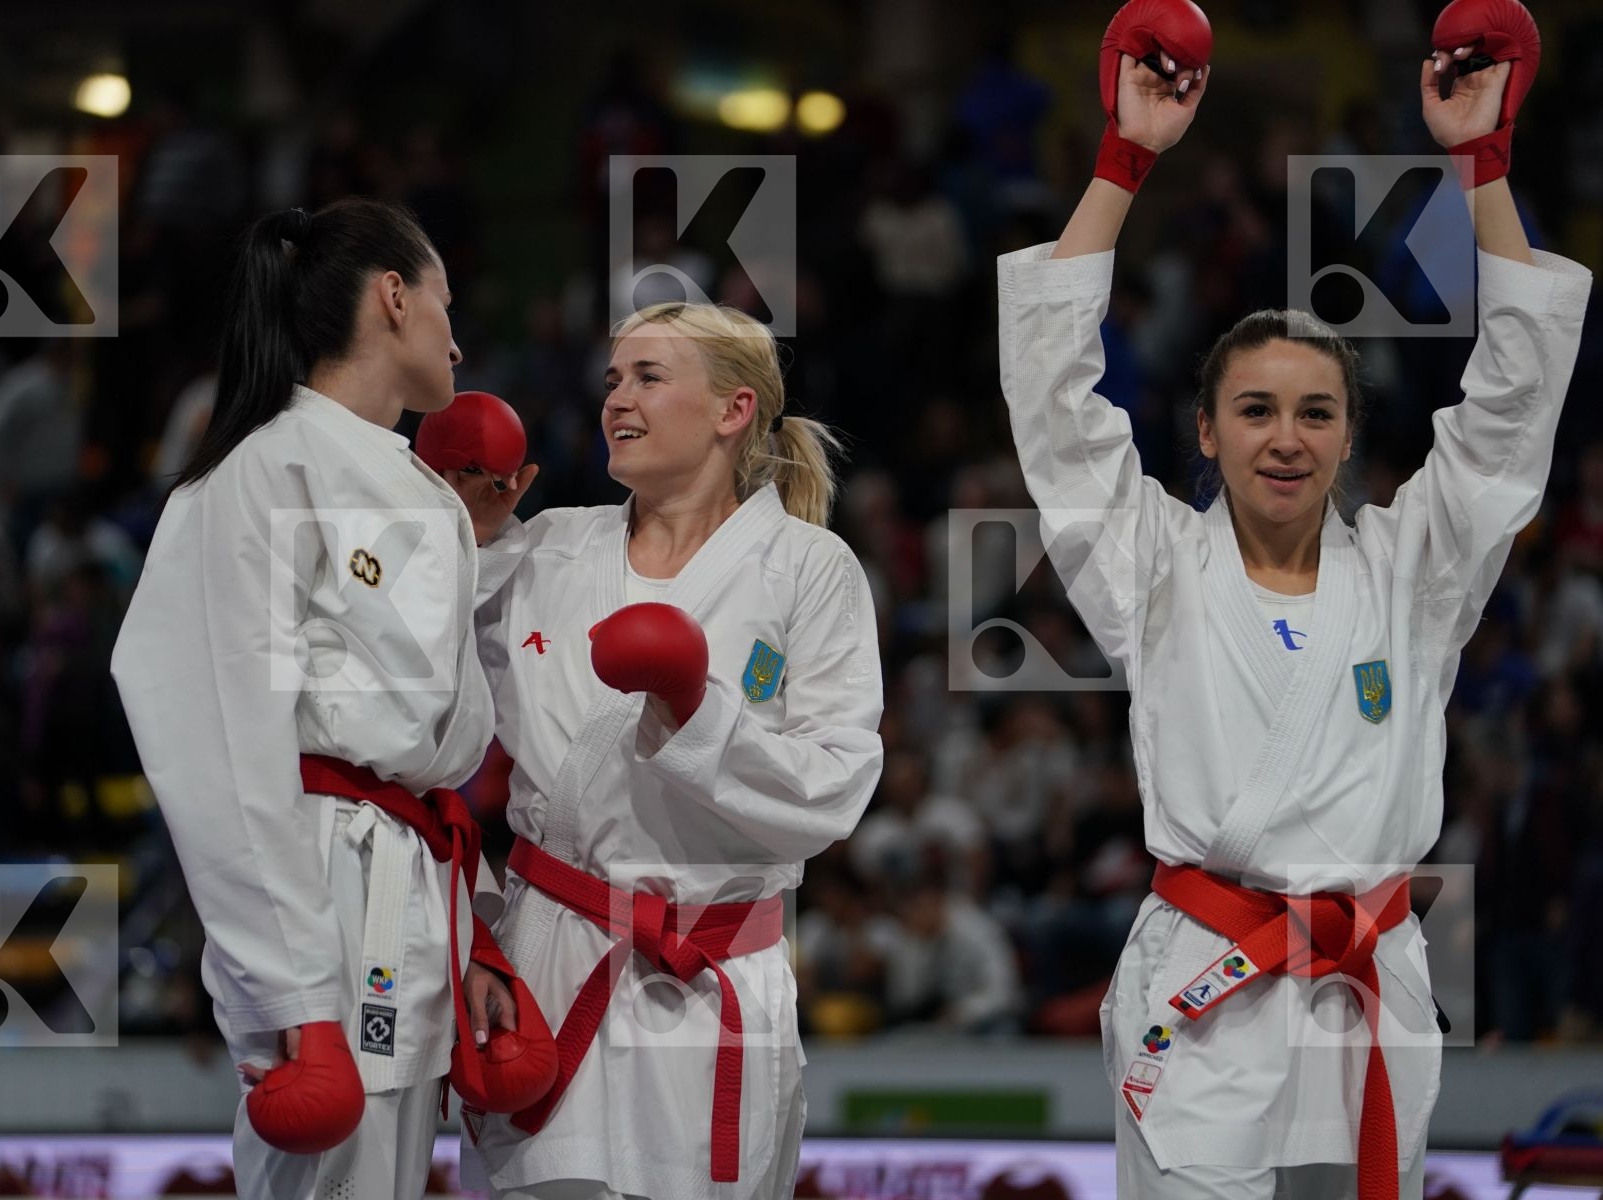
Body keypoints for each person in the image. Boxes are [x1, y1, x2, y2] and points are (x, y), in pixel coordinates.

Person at [996, 0, 1589, 1196]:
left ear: (1351, 437)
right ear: (1205, 434)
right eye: (1255, 411)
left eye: (1316, 412)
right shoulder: (1151, 565)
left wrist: (1483, 164)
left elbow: (1511, 410)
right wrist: (1122, 162)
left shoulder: (1414, 571)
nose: (1286, 437)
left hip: (1365, 984)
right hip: (1204, 987)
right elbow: (1056, 400)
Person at [110, 198, 516, 1200]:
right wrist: (287, 983)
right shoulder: (264, 468)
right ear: (392, 298)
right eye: (441, 303)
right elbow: (213, 730)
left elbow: (437, 747)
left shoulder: (417, 485)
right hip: (326, 888)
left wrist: (478, 929)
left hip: (415, 876)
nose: (456, 337)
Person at [440, 301, 884, 1199]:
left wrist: (693, 709)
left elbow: (834, 790)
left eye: (648, 377)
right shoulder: (547, 549)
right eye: (611, 380)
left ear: (734, 410)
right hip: (551, 963)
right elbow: (410, 691)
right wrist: (459, 533)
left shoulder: (810, 568)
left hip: (714, 977)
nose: (617, 400)